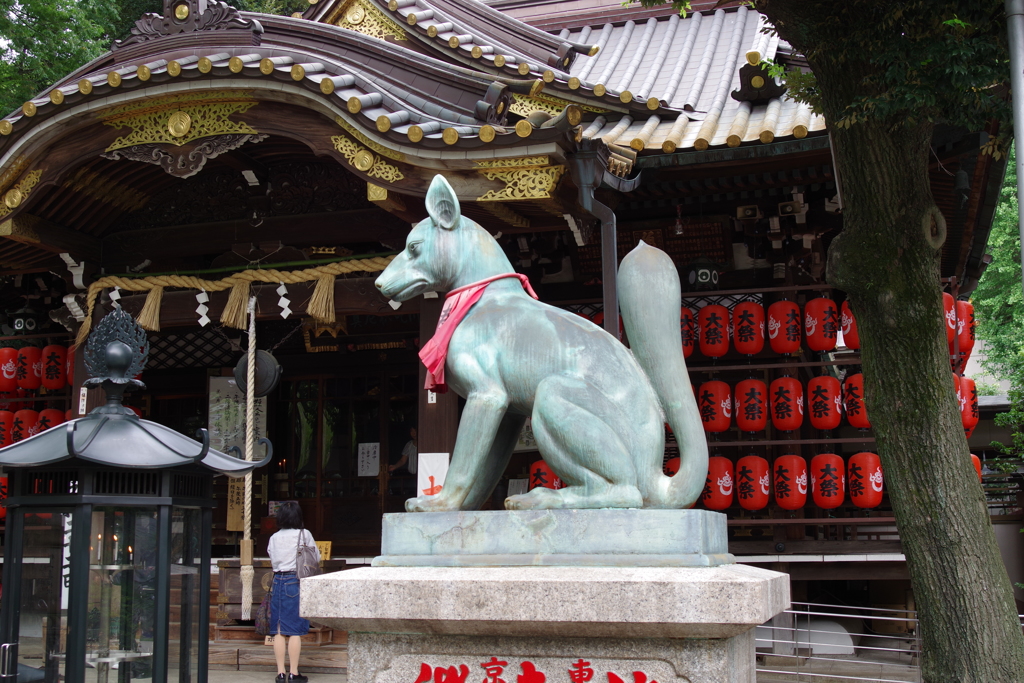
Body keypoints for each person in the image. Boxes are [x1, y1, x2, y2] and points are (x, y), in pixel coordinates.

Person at [267, 501, 320, 683]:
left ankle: (280, 673)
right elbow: (316, 557)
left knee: (279, 629)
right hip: (295, 581)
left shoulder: (274, 537)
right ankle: (294, 673)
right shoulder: (304, 534)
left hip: (277, 581)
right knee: (295, 630)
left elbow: (272, 557)